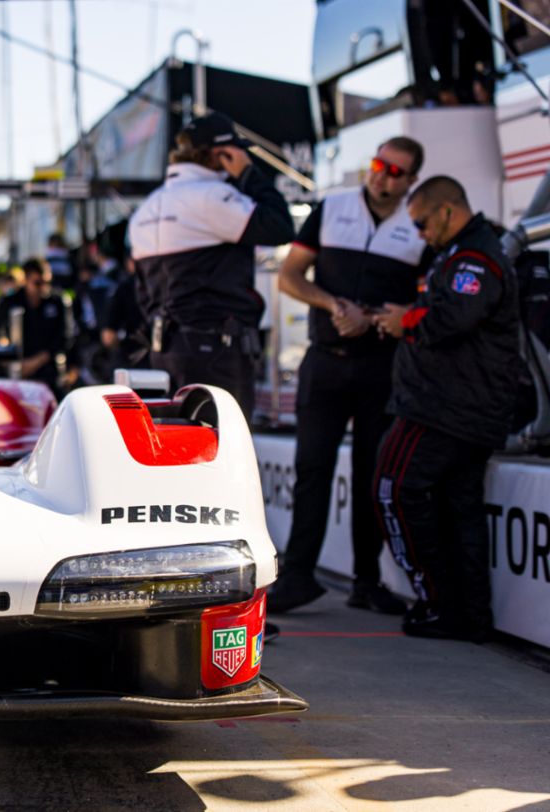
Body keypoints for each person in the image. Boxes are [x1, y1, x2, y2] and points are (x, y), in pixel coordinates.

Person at [268, 137, 429, 615]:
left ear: (411, 180)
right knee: (311, 468)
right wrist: (335, 305)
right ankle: (297, 575)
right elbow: (289, 277)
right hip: (325, 358)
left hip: (383, 364)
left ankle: (367, 580)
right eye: (379, 164)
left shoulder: (417, 224)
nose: (382, 176)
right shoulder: (332, 208)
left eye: (395, 172)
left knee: (372, 474)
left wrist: (370, 316)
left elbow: (426, 300)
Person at [369, 176, 522, 641]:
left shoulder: (474, 256)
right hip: (461, 407)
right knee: (459, 509)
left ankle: (440, 604)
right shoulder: (461, 253)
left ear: (447, 212)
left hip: (444, 408)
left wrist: (405, 320)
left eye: (421, 223)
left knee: (393, 490)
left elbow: (456, 316)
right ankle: (468, 615)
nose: (419, 233)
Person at [129, 112, 295, 418]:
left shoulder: (146, 208)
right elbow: (281, 227)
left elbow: (140, 290)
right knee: (224, 442)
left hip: (162, 350)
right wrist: (248, 174)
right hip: (215, 350)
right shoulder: (213, 196)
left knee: (174, 440)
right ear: (222, 154)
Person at [0, 258, 71, 396]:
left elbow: (66, 337)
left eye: (47, 282)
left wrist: (36, 361)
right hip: (16, 371)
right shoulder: (11, 302)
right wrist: (4, 348)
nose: (43, 288)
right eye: (38, 283)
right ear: (25, 280)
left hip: (48, 372)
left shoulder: (57, 302)